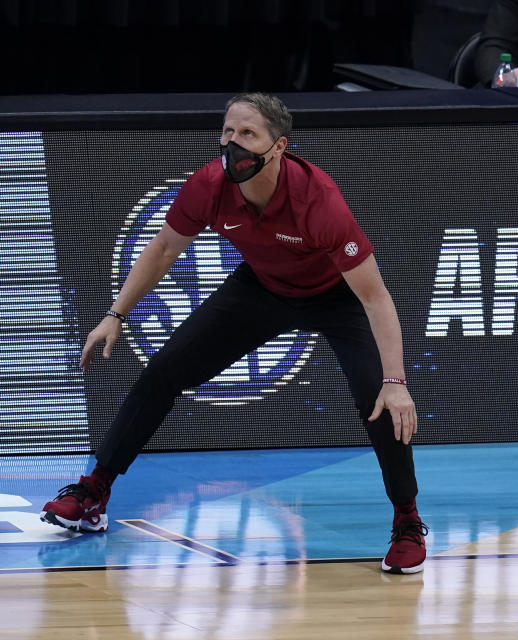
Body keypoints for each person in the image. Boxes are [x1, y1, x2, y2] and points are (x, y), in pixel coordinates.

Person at [40, 93, 429, 575]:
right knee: (164, 372)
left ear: (279, 146)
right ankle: (94, 490)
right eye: (227, 132)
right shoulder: (209, 184)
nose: (233, 144)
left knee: (380, 401)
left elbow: (375, 297)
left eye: (247, 134)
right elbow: (163, 249)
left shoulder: (318, 201)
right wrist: (116, 314)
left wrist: (396, 381)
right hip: (261, 288)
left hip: (337, 299)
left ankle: (407, 521)